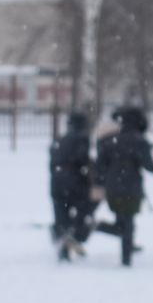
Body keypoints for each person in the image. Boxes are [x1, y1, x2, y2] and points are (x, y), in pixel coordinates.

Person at [93, 106, 153, 267]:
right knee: (127, 225)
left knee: (122, 223)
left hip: (113, 189)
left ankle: (108, 234)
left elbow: (99, 165)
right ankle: (125, 260)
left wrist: (106, 180)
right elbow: (149, 165)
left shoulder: (110, 140)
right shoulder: (139, 141)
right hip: (131, 188)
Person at [48, 111, 96, 262]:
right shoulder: (82, 138)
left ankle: (63, 244)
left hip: (56, 181)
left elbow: (52, 162)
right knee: (82, 210)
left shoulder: (59, 140)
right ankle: (75, 235)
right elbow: (82, 159)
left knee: (61, 213)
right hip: (74, 181)